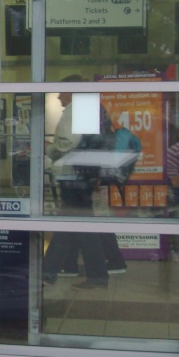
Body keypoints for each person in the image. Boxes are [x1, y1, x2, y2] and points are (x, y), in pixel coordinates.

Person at [42, 77, 120, 288]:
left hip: (74, 176)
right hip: (86, 175)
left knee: (79, 225)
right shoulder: (91, 109)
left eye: (61, 92)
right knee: (74, 224)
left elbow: (68, 141)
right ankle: (49, 271)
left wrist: (50, 148)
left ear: (71, 91)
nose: (58, 97)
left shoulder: (77, 109)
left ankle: (92, 274)